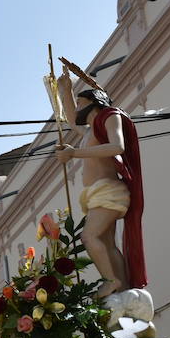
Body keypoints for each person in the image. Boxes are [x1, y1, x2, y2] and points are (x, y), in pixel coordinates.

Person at [54, 84, 147, 296]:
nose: (77, 108)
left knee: (89, 237)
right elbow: (70, 119)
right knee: (106, 243)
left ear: (94, 102)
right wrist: (64, 90)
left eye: (80, 103)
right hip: (97, 193)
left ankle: (111, 280)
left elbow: (117, 147)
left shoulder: (110, 117)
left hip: (110, 191)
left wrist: (74, 153)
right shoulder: (88, 131)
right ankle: (124, 291)